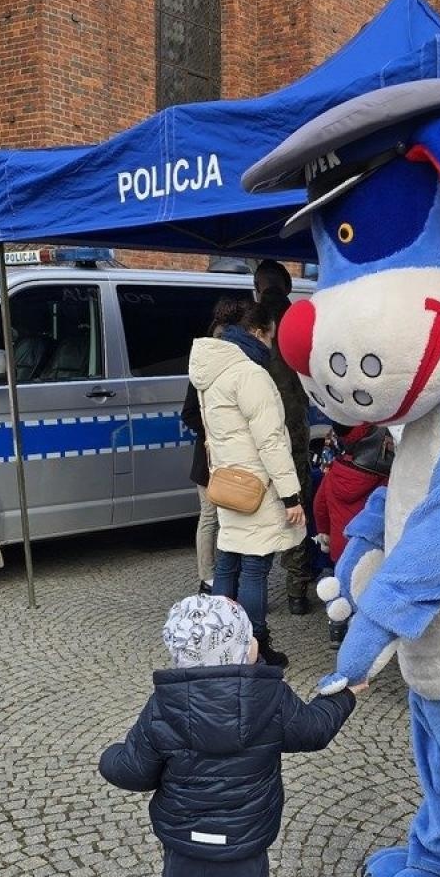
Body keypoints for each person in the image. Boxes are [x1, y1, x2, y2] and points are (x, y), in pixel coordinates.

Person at [100, 594, 360, 877]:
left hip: (183, 846)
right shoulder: (270, 697)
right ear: (243, 650)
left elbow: (134, 770)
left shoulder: (164, 705)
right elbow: (313, 732)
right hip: (242, 849)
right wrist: (338, 700)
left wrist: (111, 757)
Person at [190, 299, 305, 667]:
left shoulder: (212, 371)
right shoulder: (250, 374)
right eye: (271, 335)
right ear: (257, 332)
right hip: (257, 485)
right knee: (255, 567)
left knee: (227, 564)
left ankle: (220, 641)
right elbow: (270, 440)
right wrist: (291, 495)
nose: (272, 345)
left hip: (226, 481)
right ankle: (253, 644)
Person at [252, 272, 316, 616]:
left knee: (260, 508)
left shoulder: (250, 320)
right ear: (287, 286)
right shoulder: (301, 317)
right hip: (294, 429)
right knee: (297, 507)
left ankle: (255, 588)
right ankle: (296, 591)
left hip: (261, 431)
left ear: (258, 286)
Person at [182, 295, 247, 593]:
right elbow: (189, 413)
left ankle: (213, 576)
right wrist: (213, 432)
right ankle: (210, 577)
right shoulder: (207, 369)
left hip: (219, 457)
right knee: (214, 518)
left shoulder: (201, 366)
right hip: (213, 457)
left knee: (219, 518)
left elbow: (189, 414)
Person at [312, 422, 395, 644]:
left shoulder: (333, 472)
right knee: (367, 586)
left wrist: (323, 533)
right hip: (370, 545)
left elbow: (319, 505)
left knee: (341, 586)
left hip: (340, 545)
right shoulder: (383, 477)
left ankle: (337, 629)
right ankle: (364, 635)